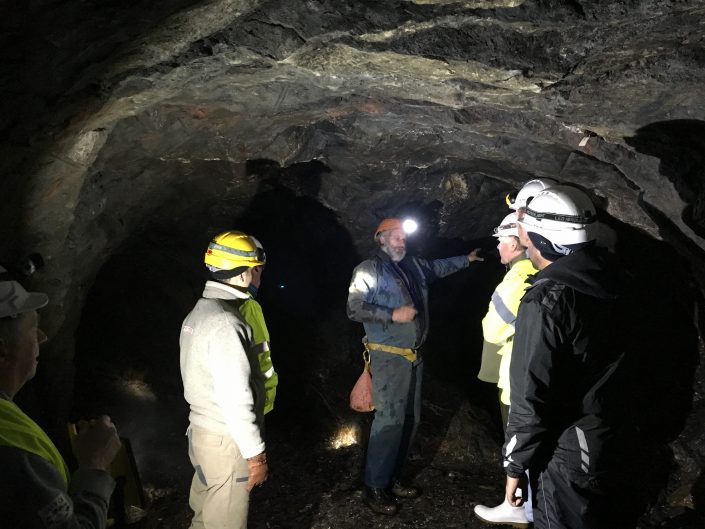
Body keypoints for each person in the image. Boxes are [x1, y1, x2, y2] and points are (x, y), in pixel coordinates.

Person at [502, 186, 623, 529]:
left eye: (526, 228)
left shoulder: (546, 302)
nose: (522, 235)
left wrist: (514, 468)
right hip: (601, 425)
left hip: (567, 440)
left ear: (543, 239)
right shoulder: (607, 277)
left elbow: (530, 396)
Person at [347, 217, 483, 515]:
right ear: (380, 238)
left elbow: (437, 267)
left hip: (414, 356)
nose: (401, 240)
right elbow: (354, 308)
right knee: (390, 421)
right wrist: (391, 314)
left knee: (411, 420)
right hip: (388, 357)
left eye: (403, 236)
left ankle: (393, 477)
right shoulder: (369, 270)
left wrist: (467, 259)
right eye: (395, 235)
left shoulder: (414, 266)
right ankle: (374, 486)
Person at [0, 272, 122, 529]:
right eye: (32, 329)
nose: (42, 338)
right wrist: (94, 464)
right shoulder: (14, 455)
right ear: (2, 350)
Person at [180, 231, 268, 529]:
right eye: (256, 270)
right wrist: (255, 455)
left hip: (202, 434)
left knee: (204, 518)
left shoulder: (199, 313)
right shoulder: (226, 323)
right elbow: (235, 397)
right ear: (242, 273)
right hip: (225, 442)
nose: (258, 277)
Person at [240, 236, 278, 416]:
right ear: (254, 269)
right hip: (244, 411)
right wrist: (264, 405)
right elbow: (262, 363)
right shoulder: (249, 307)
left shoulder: (203, 306)